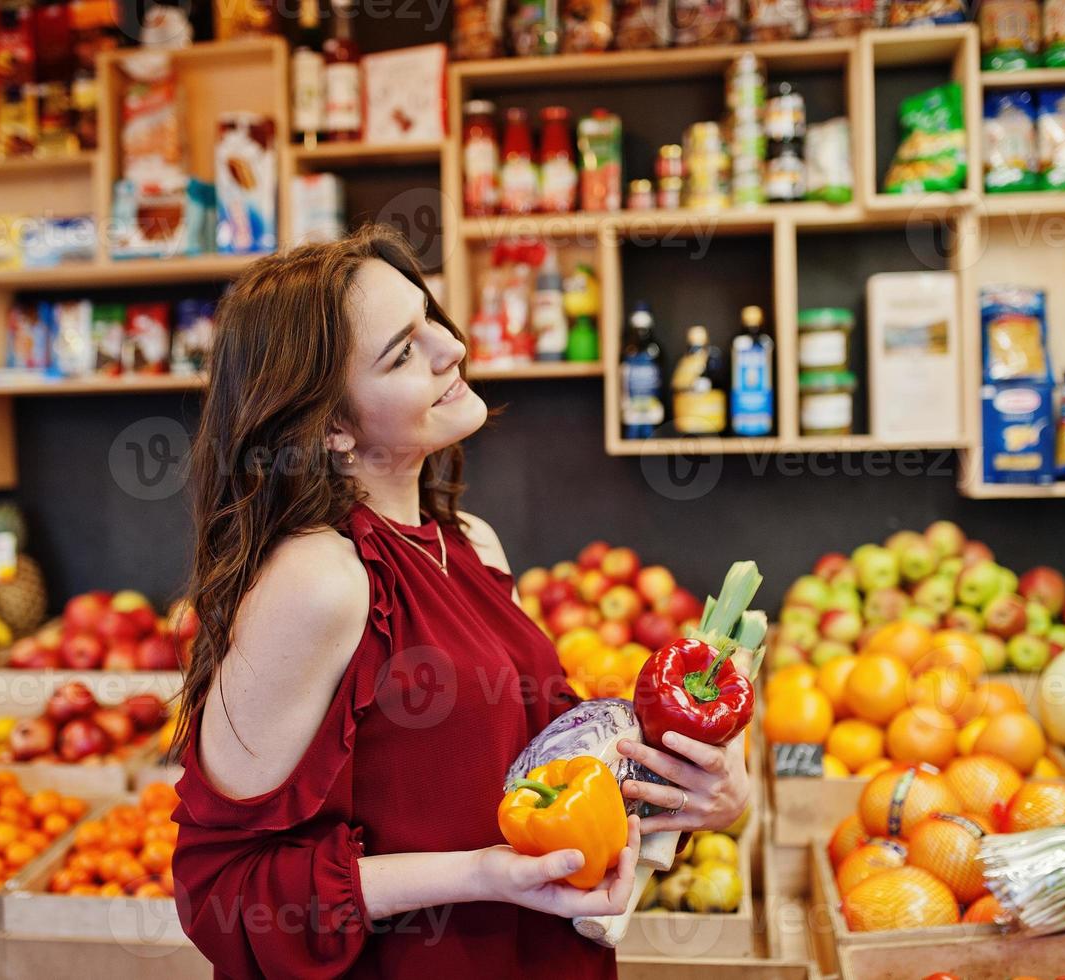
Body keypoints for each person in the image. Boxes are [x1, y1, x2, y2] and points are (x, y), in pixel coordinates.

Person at [170, 225, 750, 979]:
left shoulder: (470, 542)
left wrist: (705, 795)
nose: (450, 347)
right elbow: (223, 892)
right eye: (402, 352)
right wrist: (476, 875)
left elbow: (553, 778)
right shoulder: (320, 580)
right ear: (335, 428)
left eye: (429, 320)